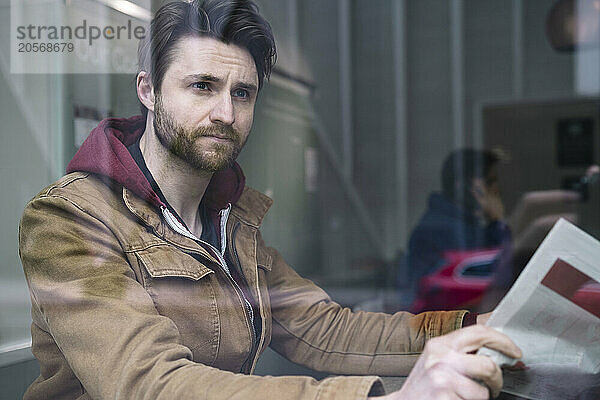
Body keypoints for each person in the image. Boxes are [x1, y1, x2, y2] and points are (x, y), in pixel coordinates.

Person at [18, 1, 521, 399]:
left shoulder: (229, 220)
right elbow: (149, 384)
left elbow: (324, 329)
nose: (225, 113)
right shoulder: (68, 219)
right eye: (202, 86)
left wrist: (471, 329)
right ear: (148, 90)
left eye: (243, 93)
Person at [405, 149, 513, 310]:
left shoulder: (464, 224)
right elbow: (498, 273)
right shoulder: (445, 229)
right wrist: (497, 221)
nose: (495, 190)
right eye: (489, 182)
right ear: (464, 187)